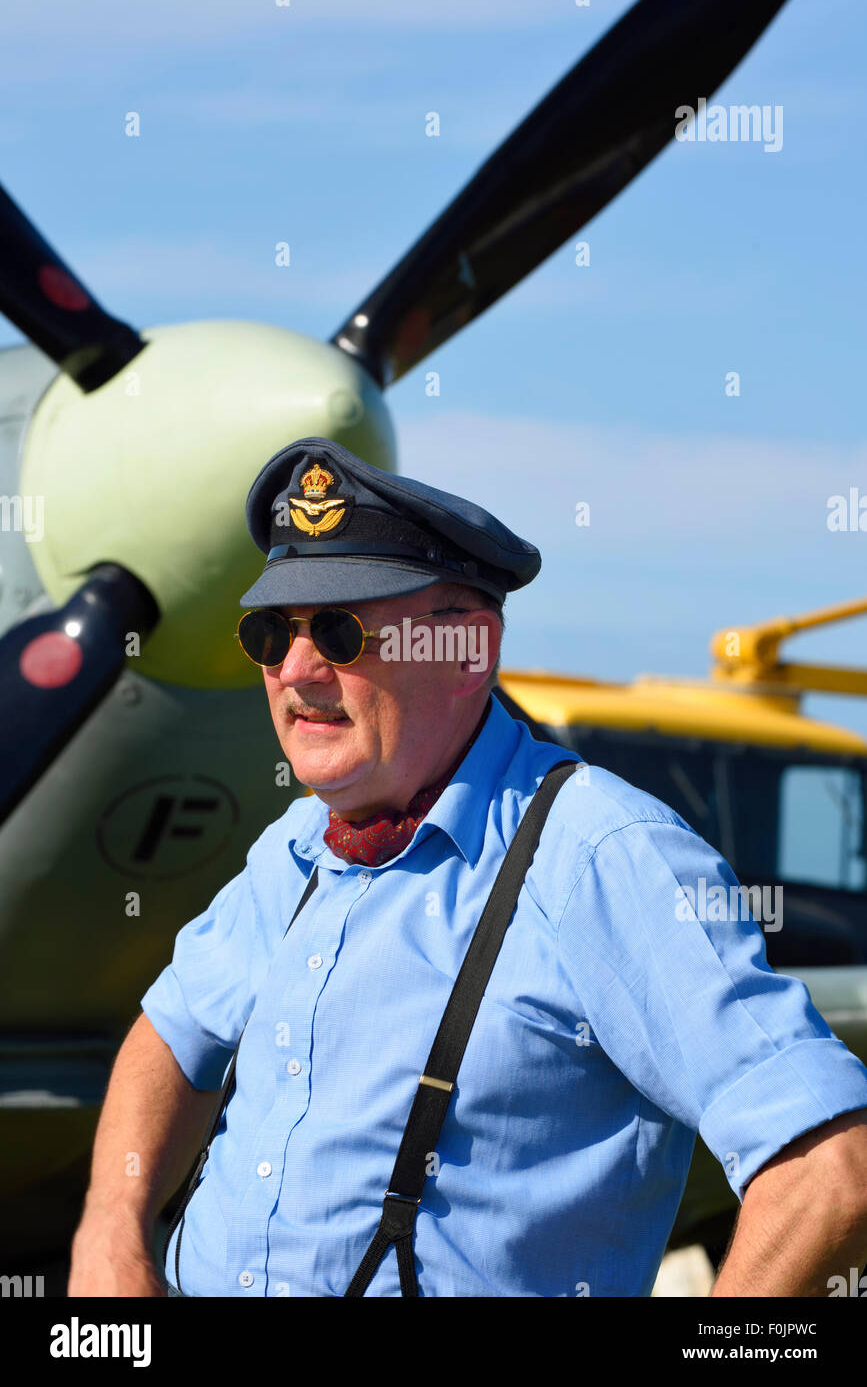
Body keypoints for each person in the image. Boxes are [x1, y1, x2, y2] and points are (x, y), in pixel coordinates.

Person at [69, 437, 867, 1298]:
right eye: (270, 632)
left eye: (340, 630)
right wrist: (111, 1230)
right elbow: (173, 1032)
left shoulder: (600, 856)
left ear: (467, 653)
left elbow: (831, 1167)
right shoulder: (296, 849)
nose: (295, 670)